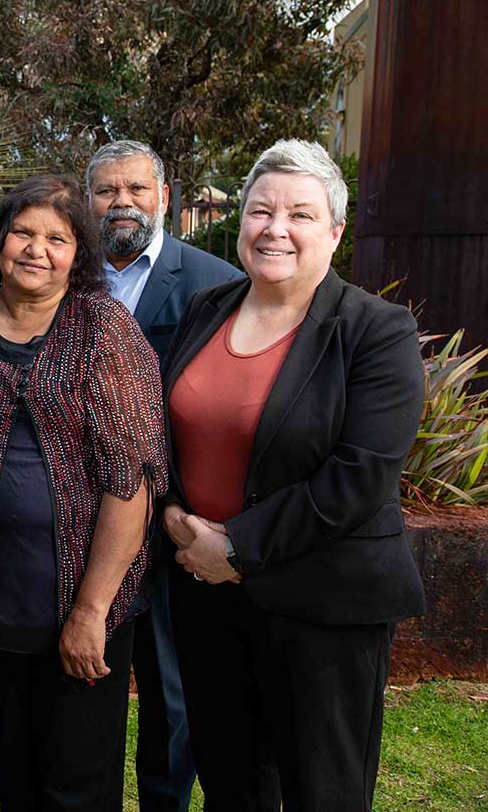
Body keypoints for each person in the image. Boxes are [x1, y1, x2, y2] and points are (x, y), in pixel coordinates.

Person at [161, 139, 425, 812]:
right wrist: (172, 514)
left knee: (322, 791)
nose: (275, 228)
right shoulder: (208, 308)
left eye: (301, 215)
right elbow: (169, 432)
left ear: (335, 232)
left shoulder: (377, 332)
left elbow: (359, 476)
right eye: (260, 211)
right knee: (231, 782)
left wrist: (237, 549)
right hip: (208, 601)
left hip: (324, 605)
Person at [0, 175, 169, 812]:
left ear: (78, 253)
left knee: (78, 780)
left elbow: (131, 484)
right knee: (16, 764)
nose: (36, 250)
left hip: (81, 595)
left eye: (56, 239)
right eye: (22, 233)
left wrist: (91, 613)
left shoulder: (104, 329)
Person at [85, 139, 240, 812]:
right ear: (87, 200)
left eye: (136, 190)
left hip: (175, 516)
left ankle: (163, 801)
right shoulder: (64, 274)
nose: (121, 202)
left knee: (170, 684)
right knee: (83, 668)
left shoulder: (214, 281)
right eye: (106, 191)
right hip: (82, 510)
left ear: (165, 198)